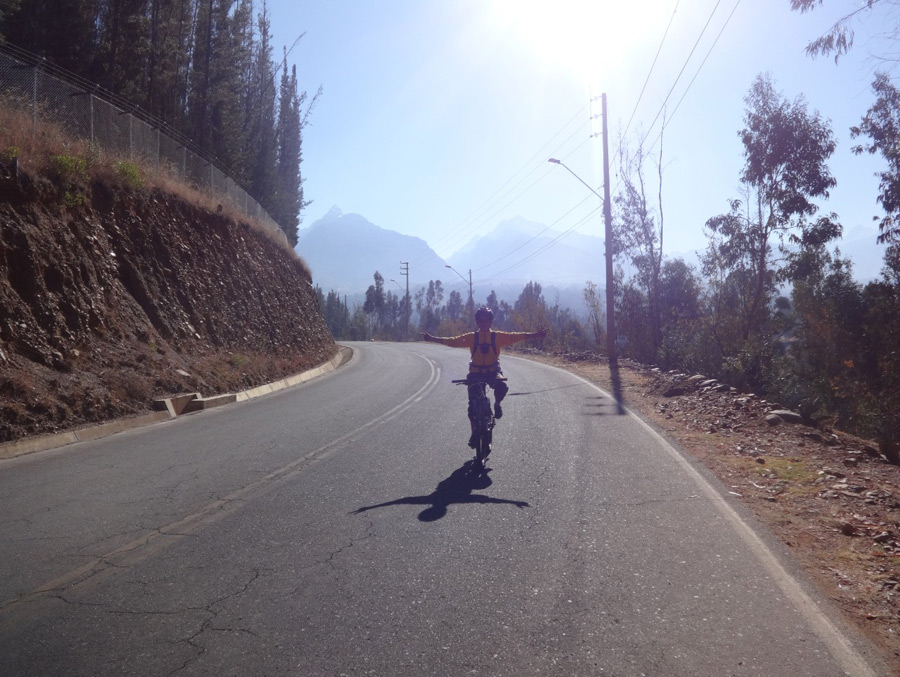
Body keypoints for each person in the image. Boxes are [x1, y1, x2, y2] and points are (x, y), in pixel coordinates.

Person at [421, 307, 547, 448]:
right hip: (475, 372)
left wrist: (536, 335)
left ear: (491, 322)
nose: (484, 324)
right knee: (472, 407)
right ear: (477, 322)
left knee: (502, 386)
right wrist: (432, 339)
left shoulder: (497, 337)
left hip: (493, 371)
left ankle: (497, 404)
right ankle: (475, 433)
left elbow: (516, 336)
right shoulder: (472, 337)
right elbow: (453, 341)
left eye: (486, 321)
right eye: (481, 321)